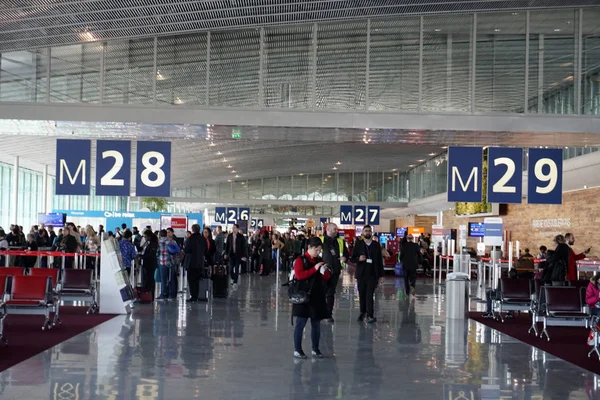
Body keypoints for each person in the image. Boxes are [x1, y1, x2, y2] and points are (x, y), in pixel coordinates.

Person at [292, 236, 331, 359]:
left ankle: (315, 349)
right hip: (303, 296)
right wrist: (314, 269)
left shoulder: (319, 260)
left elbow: (326, 277)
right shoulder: (300, 260)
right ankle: (297, 349)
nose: (318, 252)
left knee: (316, 324)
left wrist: (324, 271)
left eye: (319, 250)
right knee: (300, 323)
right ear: (309, 247)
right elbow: (299, 276)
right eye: (316, 250)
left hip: (317, 296)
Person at [351, 225, 385, 323]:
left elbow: (379, 261)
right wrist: (358, 259)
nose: (368, 233)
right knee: (362, 294)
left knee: (370, 294)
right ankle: (362, 312)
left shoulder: (376, 245)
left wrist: (382, 275)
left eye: (369, 231)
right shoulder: (358, 244)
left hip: (373, 274)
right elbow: (352, 258)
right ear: (362, 232)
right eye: (366, 231)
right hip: (361, 274)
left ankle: (370, 315)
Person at [320, 223, 349, 323]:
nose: (336, 231)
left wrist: (345, 258)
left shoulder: (340, 241)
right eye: (334, 229)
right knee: (321, 292)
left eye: (336, 229)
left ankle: (329, 314)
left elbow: (346, 254)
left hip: (335, 271)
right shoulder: (321, 240)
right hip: (322, 271)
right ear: (327, 229)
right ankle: (320, 312)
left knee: (331, 292)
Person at [184, 224, 207, 302]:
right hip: (200, 262)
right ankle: (196, 295)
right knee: (197, 280)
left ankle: (193, 296)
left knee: (191, 280)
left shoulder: (190, 239)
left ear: (192, 230)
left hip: (191, 262)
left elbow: (186, 250)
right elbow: (206, 250)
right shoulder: (203, 239)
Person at [157, 229, 176, 301]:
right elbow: (176, 251)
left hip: (162, 262)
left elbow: (157, 252)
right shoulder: (172, 241)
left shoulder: (158, 242)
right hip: (171, 262)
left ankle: (163, 295)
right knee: (171, 279)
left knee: (163, 279)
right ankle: (171, 295)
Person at [141, 230, 159, 300]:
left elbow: (151, 255)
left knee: (150, 280)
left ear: (149, 236)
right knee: (148, 280)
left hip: (150, 264)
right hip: (148, 264)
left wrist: (142, 256)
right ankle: (148, 295)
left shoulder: (153, 244)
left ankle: (150, 296)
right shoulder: (149, 243)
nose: (145, 238)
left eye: (145, 237)